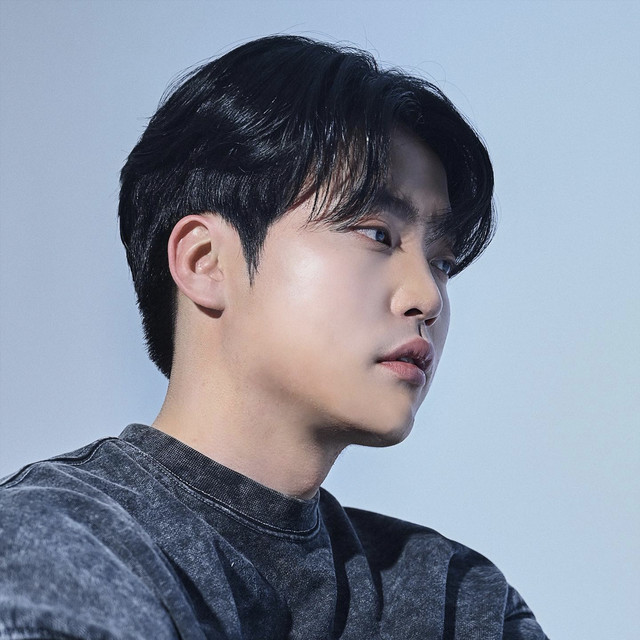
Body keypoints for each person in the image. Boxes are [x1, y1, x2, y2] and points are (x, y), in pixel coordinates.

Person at [0, 35, 548, 639]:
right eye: (377, 234)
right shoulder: (55, 543)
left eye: (441, 261)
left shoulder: (458, 600)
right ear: (206, 262)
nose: (427, 297)